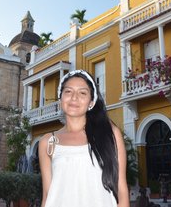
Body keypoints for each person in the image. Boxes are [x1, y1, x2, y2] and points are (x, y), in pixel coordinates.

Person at [39, 70, 130, 207]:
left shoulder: (109, 134)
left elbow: (122, 190)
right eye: (68, 92)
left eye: (82, 93)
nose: (74, 97)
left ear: (91, 102)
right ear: (60, 98)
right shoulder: (48, 141)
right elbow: (47, 195)